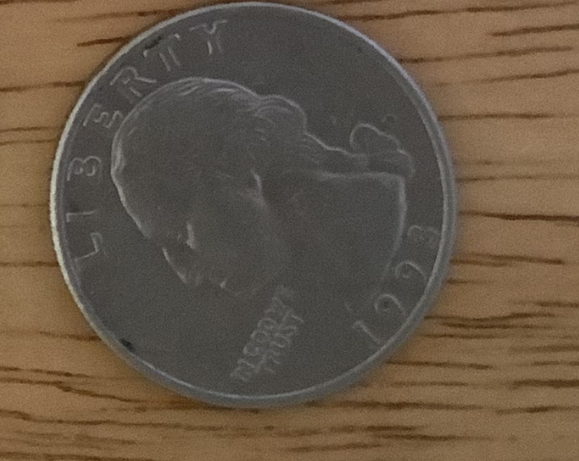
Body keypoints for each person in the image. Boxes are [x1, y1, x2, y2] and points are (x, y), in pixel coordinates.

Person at [110, 76, 413, 306]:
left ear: (239, 173)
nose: (187, 276)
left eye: (177, 236)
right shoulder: (329, 279)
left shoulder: (366, 250)